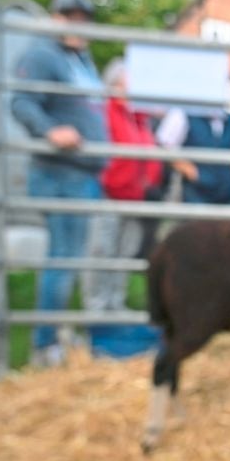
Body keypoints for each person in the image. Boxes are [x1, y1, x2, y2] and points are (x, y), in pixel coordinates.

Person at [10, 0, 106, 368]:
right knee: (62, 259)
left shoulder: (80, 59)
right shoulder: (42, 54)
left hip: (82, 173)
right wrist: (50, 131)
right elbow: (20, 102)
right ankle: (45, 343)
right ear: (55, 17)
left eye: (83, 17)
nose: (77, 23)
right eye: (69, 16)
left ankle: (60, 331)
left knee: (71, 258)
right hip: (59, 171)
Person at [88, 58, 164, 312]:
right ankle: (97, 305)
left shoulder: (139, 117)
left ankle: (115, 302)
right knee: (103, 251)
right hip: (110, 193)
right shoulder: (106, 112)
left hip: (135, 195)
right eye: (130, 82)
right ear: (115, 85)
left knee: (124, 252)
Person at [155, 108, 230, 204]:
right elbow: (164, 145)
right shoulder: (184, 113)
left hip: (226, 193)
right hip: (195, 193)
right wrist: (191, 171)